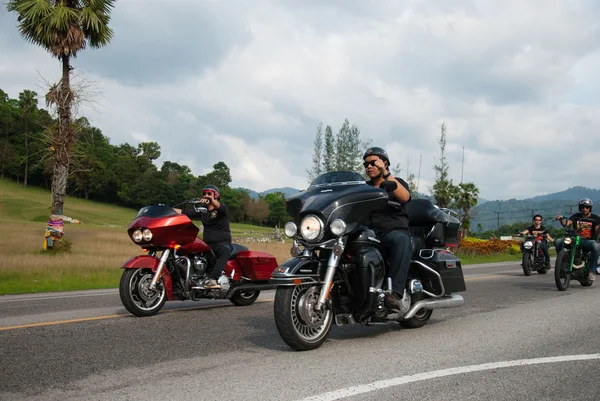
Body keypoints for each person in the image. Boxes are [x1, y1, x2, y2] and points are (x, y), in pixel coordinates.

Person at [363, 147, 412, 313]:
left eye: (373, 162)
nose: (369, 166)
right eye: (366, 164)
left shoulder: (395, 182)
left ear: (384, 163)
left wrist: (385, 174)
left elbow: (405, 197)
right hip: (369, 233)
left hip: (392, 231)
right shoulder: (363, 188)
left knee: (401, 240)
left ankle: (395, 293)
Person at [178, 184, 233, 289]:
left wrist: (211, 201)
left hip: (222, 243)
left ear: (216, 195)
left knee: (224, 250)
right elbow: (184, 212)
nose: (206, 195)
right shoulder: (203, 210)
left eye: (209, 193)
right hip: (207, 244)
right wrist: (165, 210)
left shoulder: (223, 208)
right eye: (204, 193)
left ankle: (214, 279)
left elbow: (218, 206)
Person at [555, 198, 600, 281]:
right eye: (583, 207)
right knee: (558, 241)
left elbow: (597, 230)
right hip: (574, 239)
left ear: (590, 208)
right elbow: (566, 224)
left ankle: (592, 271)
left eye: (587, 207)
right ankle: (561, 264)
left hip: (587, 241)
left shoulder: (595, 218)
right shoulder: (576, 216)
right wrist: (561, 219)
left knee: (596, 246)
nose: (584, 209)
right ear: (580, 208)